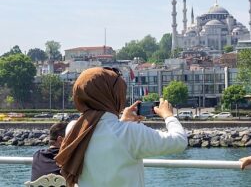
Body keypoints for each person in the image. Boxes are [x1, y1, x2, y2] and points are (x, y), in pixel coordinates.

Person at [55, 67, 187, 187]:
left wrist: (122, 121)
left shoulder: (73, 129)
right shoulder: (130, 132)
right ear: (115, 95)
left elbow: (103, 132)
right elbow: (179, 141)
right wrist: (168, 115)